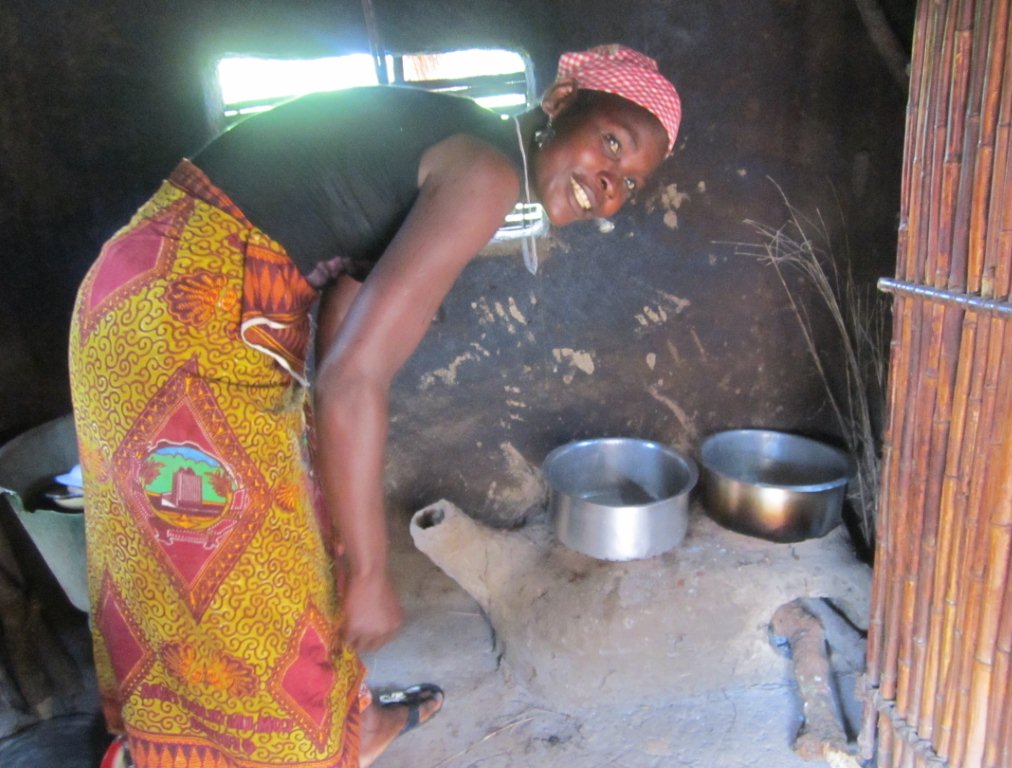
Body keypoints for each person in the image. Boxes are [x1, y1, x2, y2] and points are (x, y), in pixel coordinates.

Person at [69, 44, 681, 768]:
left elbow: (343, 333)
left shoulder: (464, 148)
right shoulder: (485, 172)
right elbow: (352, 381)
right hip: (179, 320)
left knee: (291, 531)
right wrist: (367, 571)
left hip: (151, 292)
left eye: (629, 184)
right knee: (239, 576)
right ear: (557, 103)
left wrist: (344, 523)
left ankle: (342, 724)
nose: (608, 183)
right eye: (612, 143)